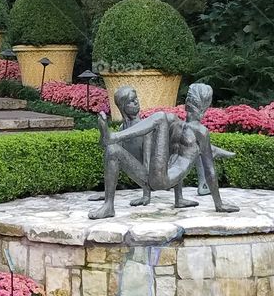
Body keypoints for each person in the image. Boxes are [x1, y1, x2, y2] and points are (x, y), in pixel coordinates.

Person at [88, 83, 239, 219]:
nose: (188, 101)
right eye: (189, 98)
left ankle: (112, 136)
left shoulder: (200, 132)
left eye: (191, 99)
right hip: (153, 178)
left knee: (160, 117)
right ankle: (109, 206)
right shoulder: (176, 125)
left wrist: (219, 204)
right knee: (112, 150)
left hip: (163, 180)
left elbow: (210, 171)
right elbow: (173, 154)